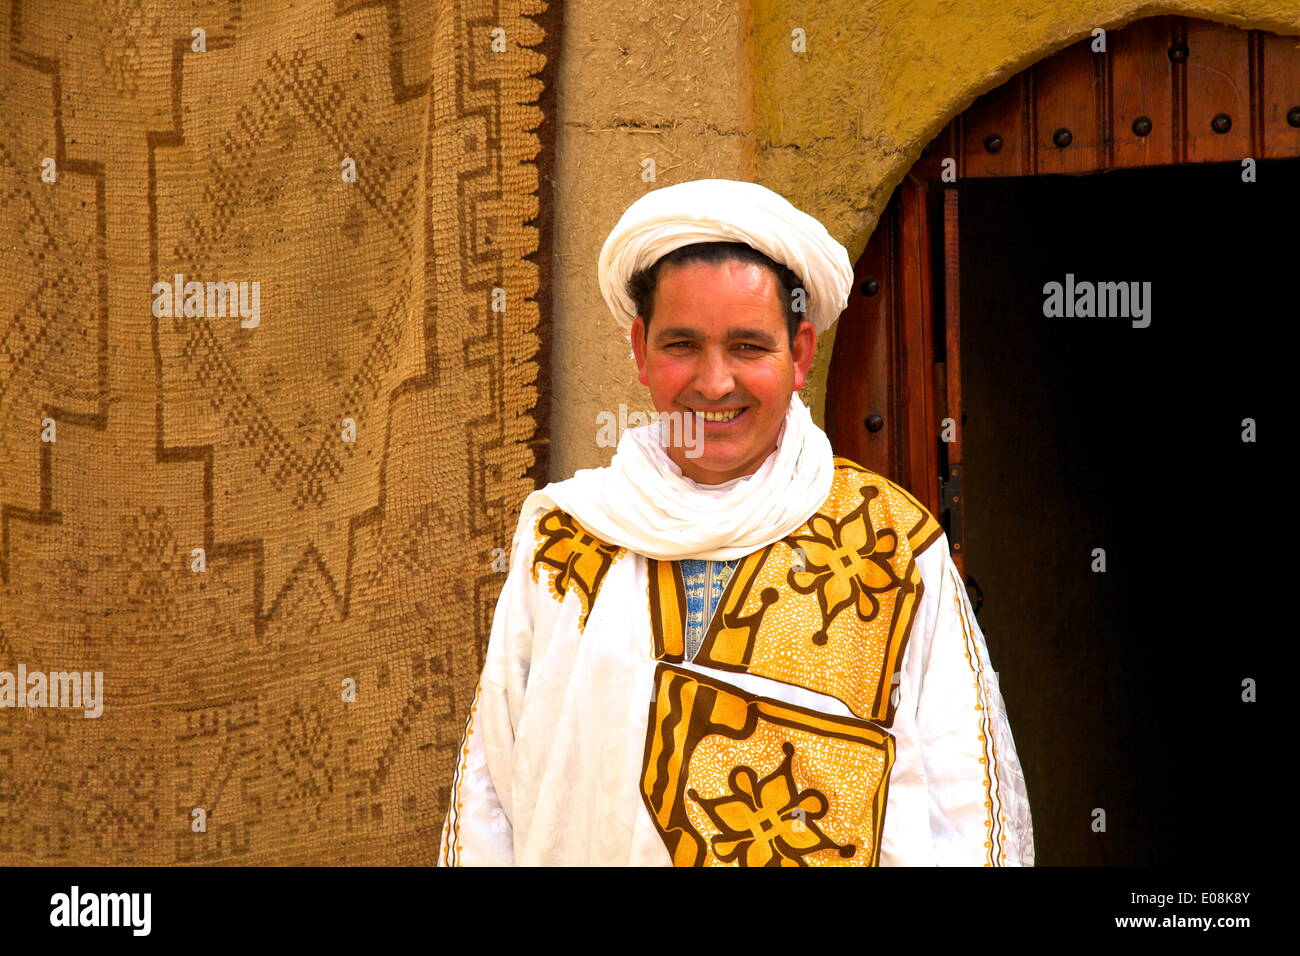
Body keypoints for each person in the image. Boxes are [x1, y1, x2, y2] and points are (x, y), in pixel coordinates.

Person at [438, 178, 1035, 866]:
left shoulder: (889, 549)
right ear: (639, 349)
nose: (715, 382)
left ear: (800, 354)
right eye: (682, 345)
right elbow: (489, 797)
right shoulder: (564, 544)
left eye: (749, 347)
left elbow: (967, 812)